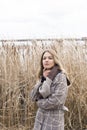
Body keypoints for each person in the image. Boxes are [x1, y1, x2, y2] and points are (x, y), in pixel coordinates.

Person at [30, 49, 70, 130]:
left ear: (55, 60)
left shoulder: (61, 76)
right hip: (40, 119)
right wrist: (42, 79)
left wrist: (39, 103)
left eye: (50, 58)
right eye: (44, 58)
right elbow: (33, 96)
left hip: (53, 120)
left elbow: (56, 101)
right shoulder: (43, 76)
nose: (46, 60)